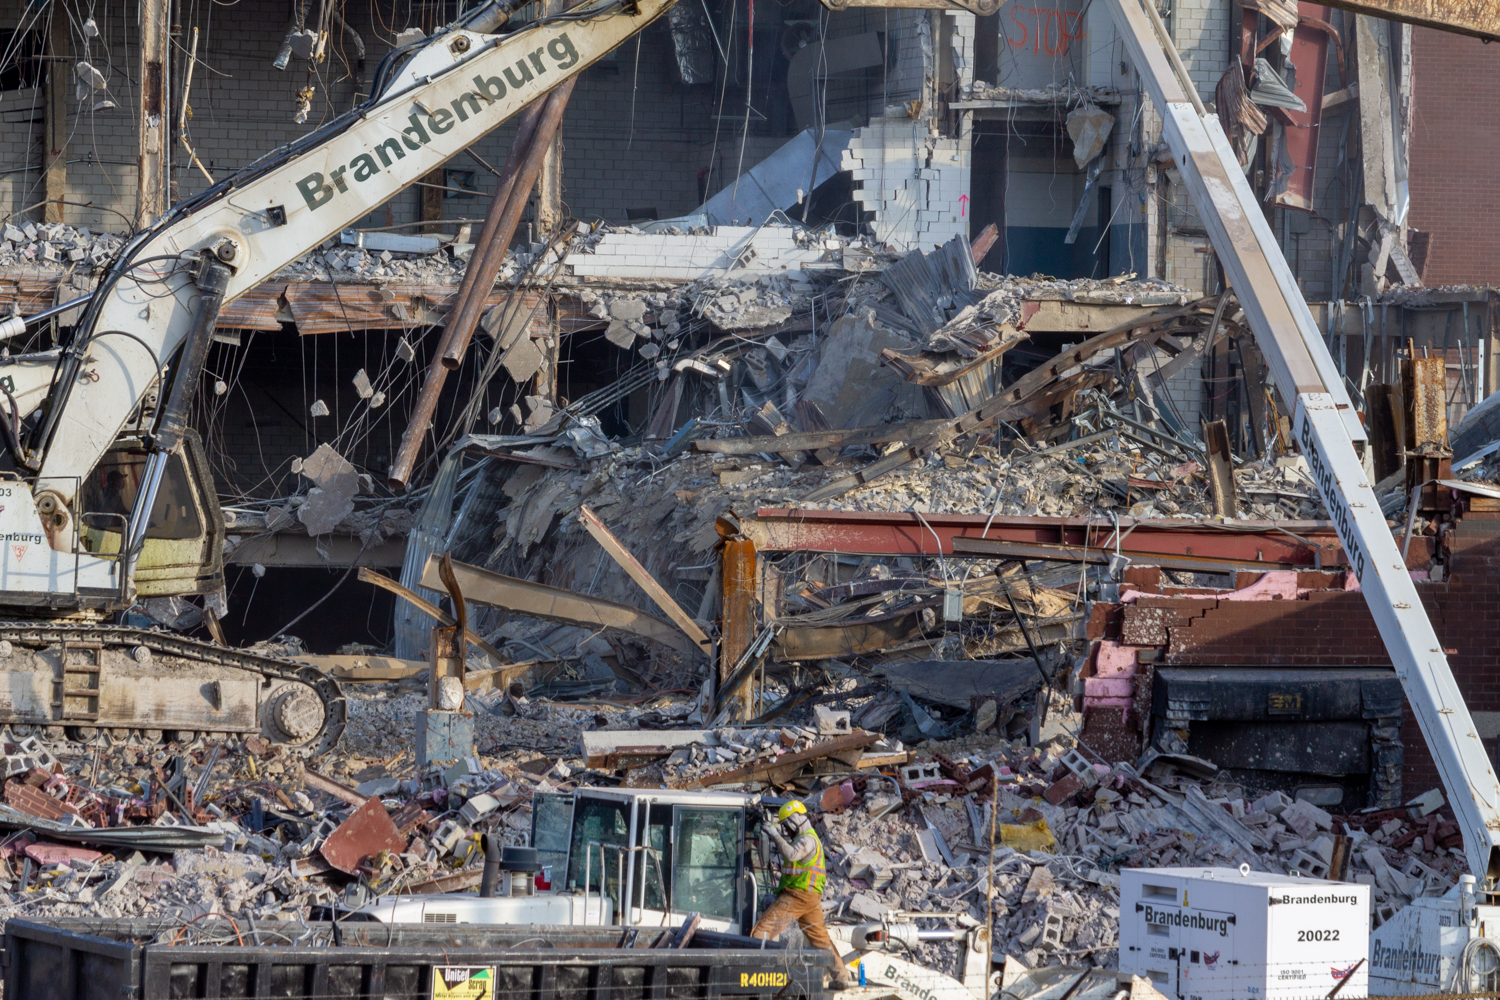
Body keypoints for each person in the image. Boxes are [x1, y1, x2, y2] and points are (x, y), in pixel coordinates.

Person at [749, 800, 855, 990]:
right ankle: (841, 976)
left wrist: (773, 834)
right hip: (809, 897)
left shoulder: (807, 840)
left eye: (786, 826)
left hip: (798, 896)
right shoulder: (807, 838)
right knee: (820, 939)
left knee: (762, 931)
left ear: (794, 820)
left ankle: (753, 977)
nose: (786, 831)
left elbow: (791, 855)